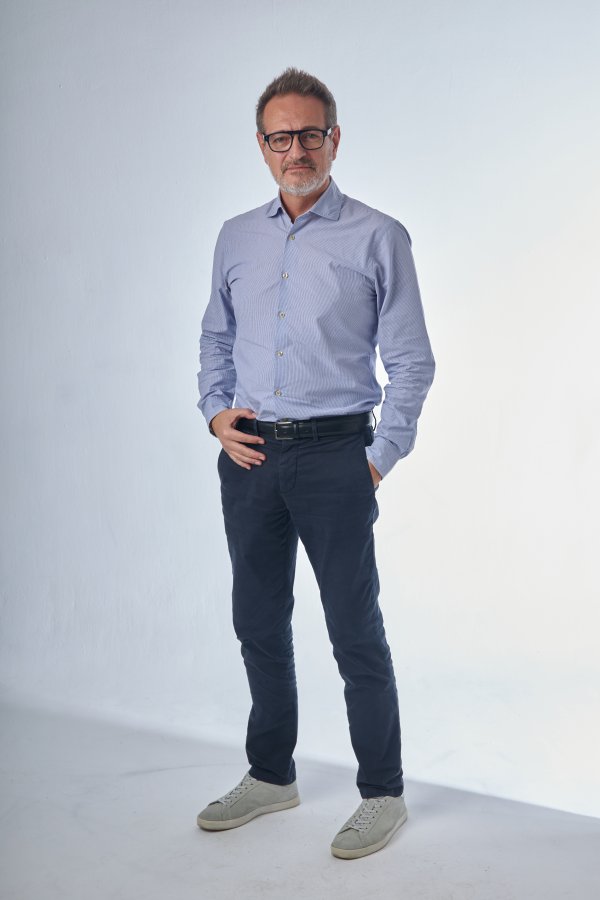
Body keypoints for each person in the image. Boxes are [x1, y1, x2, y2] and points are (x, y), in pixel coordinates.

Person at [195, 67, 435, 860]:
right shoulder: (236, 236)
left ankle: (383, 792)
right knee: (257, 622)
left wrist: (377, 459)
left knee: (353, 629)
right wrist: (216, 413)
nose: (294, 150)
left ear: (334, 139)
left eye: (308, 134)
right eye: (280, 137)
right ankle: (272, 775)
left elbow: (412, 361)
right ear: (261, 145)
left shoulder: (378, 236)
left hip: (338, 455)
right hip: (250, 456)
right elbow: (216, 337)